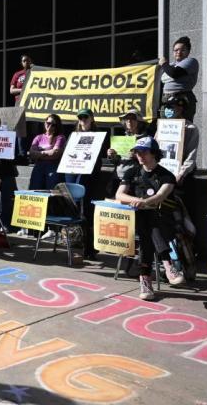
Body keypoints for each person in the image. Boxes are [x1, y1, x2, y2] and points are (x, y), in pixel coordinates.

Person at [115, 137, 185, 301]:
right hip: (137, 218)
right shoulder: (132, 172)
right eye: (137, 152)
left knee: (149, 229)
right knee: (148, 226)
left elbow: (161, 196)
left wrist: (144, 202)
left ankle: (145, 281)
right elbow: (119, 195)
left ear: (154, 153)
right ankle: (167, 263)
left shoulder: (166, 175)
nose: (140, 155)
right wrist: (137, 202)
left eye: (144, 151)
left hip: (163, 218)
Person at [64, 108, 109, 260]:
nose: (83, 120)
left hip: (90, 176)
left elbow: (104, 153)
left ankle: (90, 247)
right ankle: (76, 246)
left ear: (92, 118)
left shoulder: (100, 135)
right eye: (80, 117)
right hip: (73, 174)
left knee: (87, 212)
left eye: (86, 117)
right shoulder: (73, 136)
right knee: (74, 210)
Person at [107, 110, 148, 197]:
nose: (129, 121)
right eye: (127, 119)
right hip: (117, 177)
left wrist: (137, 156)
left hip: (133, 180)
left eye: (133, 119)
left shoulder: (146, 140)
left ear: (139, 122)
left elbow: (150, 160)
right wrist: (111, 156)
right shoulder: (123, 139)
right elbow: (116, 161)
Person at [162, 95, 200, 188]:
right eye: (166, 107)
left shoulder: (191, 128)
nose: (168, 109)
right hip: (163, 172)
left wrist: (182, 174)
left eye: (171, 107)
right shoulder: (162, 126)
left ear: (180, 108)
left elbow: (191, 155)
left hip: (182, 174)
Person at [158, 36, 199, 119]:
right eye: (176, 50)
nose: (179, 52)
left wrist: (163, 64)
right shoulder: (171, 65)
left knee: (182, 128)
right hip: (166, 99)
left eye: (183, 50)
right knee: (166, 128)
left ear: (188, 52)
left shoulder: (191, 61)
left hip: (181, 99)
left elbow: (174, 73)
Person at [28, 114, 65, 190]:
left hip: (52, 168)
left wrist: (39, 153)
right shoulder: (38, 137)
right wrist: (46, 152)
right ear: (45, 123)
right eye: (48, 123)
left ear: (57, 126)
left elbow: (55, 154)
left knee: (51, 192)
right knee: (35, 191)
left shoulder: (60, 137)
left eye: (53, 124)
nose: (50, 126)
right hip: (38, 168)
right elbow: (31, 153)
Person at [10, 54, 33, 158]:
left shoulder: (36, 72)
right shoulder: (17, 74)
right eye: (24, 60)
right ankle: (21, 154)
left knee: (33, 129)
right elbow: (11, 90)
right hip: (19, 104)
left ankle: (32, 154)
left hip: (34, 104)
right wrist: (24, 89)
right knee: (20, 130)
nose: (26, 62)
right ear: (21, 63)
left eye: (28, 60)